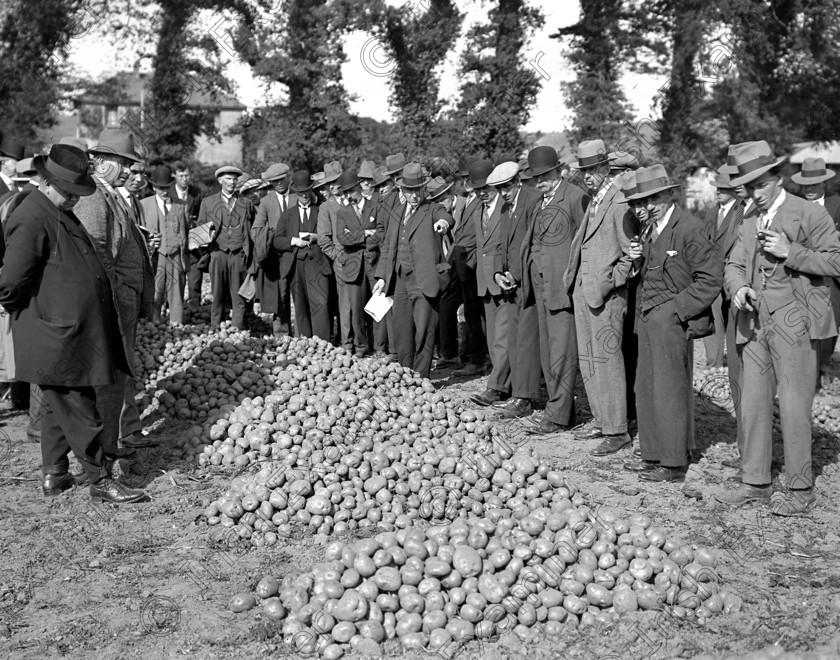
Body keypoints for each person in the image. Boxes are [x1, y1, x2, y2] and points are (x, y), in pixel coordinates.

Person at [0, 144, 146, 503]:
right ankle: (100, 479)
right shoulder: (32, 215)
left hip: (69, 328)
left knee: (55, 406)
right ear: (49, 183)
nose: (73, 199)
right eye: (69, 192)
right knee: (80, 407)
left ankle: (56, 474)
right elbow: (10, 282)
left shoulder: (55, 209)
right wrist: (42, 316)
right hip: (55, 332)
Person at [719, 141, 840, 515]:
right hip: (754, 323)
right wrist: (738, 288)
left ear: (777, 177)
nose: (753, 193)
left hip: (796, 323)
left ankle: (801, 488)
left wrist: (792, 253)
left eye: (759, 184)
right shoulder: (749, 220)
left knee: (793, 403)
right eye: (748, 186)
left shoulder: (809, 213)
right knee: (753, 402)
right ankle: (755, 481)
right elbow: (733, 264)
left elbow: (836, 262)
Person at [624, 164, 721, 482]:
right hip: (647, 321)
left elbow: (709, 279)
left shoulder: (688, 228)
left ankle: (674, 462)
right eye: (638, 203)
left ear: (668, 194)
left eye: (651, 199)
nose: (644, 207)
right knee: (646, 387)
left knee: (670, 390)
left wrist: (675, 312)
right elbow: (651, 274)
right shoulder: (650, 229)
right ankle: (653, 454)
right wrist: (637, 262)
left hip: (671, 321)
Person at [75, 129, 156, 457]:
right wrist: (118, 290)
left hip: (123, 300)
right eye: (121, 163)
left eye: (129, 164)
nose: (127, 170)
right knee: (107, 380)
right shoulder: (94, 195)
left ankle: (114, 441)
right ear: (98, 160)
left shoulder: (112, 195)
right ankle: (102, 454)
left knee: (119, 376)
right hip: (113, 302)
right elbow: (97, 250)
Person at [496, 146, 587, 432]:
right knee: (548, 353)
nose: (541, 180)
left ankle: (557, 416)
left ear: (558, 170)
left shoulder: (575, 197)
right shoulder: (541, 202)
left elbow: (584, 244)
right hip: (539, 288)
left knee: (562, 353)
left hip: (562, 290)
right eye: (536, 176)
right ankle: (561, 410)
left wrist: (574, 283)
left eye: (546, 174)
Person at [564, 140, 634, 450]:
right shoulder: (594, 200)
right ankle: (601, 419)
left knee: (607, 360)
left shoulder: (619, 203)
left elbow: (632, 253)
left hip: (605, 295)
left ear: (606, 168)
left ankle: (617, 429)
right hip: (584, 291)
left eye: (593, 170)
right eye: (584, 171)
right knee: (589, 360)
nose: (587, 176)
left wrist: (611, 281)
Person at [373, 162, 453, 379]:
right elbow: (388, 247)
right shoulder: (397, 212)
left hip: (424, 279)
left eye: (418, 191)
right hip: (399, 280)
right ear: (402, 190)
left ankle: (422, 378)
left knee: (425, 332)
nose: (415, 196)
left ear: (423, 189)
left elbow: (445, 217)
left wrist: (443, 225)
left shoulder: (432, 208)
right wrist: (381, 277)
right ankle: (406, 375)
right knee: (402, 331)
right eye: (410, 191)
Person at [791, 157, 840, 388]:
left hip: (832, 279)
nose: (809, 189)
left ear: (825, 184)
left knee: (830, 328)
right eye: (806, 185)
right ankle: (807, 377)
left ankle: (822, 367)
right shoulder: (793, 207)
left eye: (815, 184)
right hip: (802, 276)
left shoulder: (836, 206)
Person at [470, 161, 512, 408]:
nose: (481, 193)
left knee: (503, 337)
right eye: (477, 190)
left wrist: (504, 273)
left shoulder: (506, 209)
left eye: (485, 188)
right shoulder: (478, 211)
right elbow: (480, 247)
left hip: (503, 280)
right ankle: (503, 383)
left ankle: (496, 387)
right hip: (485, 282)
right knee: (493, 336)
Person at [273, 171, 332, 339]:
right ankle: (305, 342)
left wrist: (316, 238)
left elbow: (330, 235)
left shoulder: (320, 211)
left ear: (311, 191)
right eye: (300, 193)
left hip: (318, 264)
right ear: (295, 193)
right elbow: (277, 240)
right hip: (296, 265)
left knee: (320, 302)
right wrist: (293, 241)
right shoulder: (287, 215)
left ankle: (322, 342)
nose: (304, 196)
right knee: (300, 305)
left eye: (306, 192)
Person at [199, 165, 255, 329]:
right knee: (217, 293)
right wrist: (207, 247)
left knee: (239, 294)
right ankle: (216, 326)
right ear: (220, 180)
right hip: (217, 252)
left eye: (234, 179)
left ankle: (238, 327)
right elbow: (200, 229)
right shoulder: (208, 202)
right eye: (228, 179)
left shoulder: (246, 203)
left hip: (238, 254)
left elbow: (252, 229)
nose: (232, 182)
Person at [446, 159, 489, 376]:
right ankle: (477, 358)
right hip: (464, 262)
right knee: (471, 313)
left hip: (472, 262)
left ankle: (478, 360)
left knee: (475, 313)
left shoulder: (480, 201)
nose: (465, 182)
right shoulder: (469, 200)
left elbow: (475, 235)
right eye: (463, 178)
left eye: (468, 178)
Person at [140, 165, 189, 325]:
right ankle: (153, 323)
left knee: (176, 292)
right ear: (154, 187)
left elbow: (188, 230)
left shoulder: (181, 205)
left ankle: (177, 324)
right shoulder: (144, 204)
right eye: (160, 188)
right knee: (155, 291)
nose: (164, 191)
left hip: (176, 255)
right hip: (156, 255)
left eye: (167, 187)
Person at [252, 162, 295, 337]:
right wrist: (270, 237)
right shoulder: (266, 202)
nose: (278, 183)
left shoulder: (298, 197)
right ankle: (282, 334)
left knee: (301, 294)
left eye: (281, 179)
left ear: (288, 178)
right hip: (278, 256)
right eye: (274, 181)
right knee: (281, 296)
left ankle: (304, 334)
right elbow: (256, 230)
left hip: (299, 252)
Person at [335, 171, 372, 357]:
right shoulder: (342, 212)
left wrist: (354, 235)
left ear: (360, 187)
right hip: (353, 266)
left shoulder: (374, 207)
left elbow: (381, 234)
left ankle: (381, 346)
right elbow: (342, 238)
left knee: (379, 305)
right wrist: (365, 234)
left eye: (351, 191)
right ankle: (361, 346)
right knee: (356, 309)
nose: (349, 196)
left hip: (374, 263)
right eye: (345, 193)